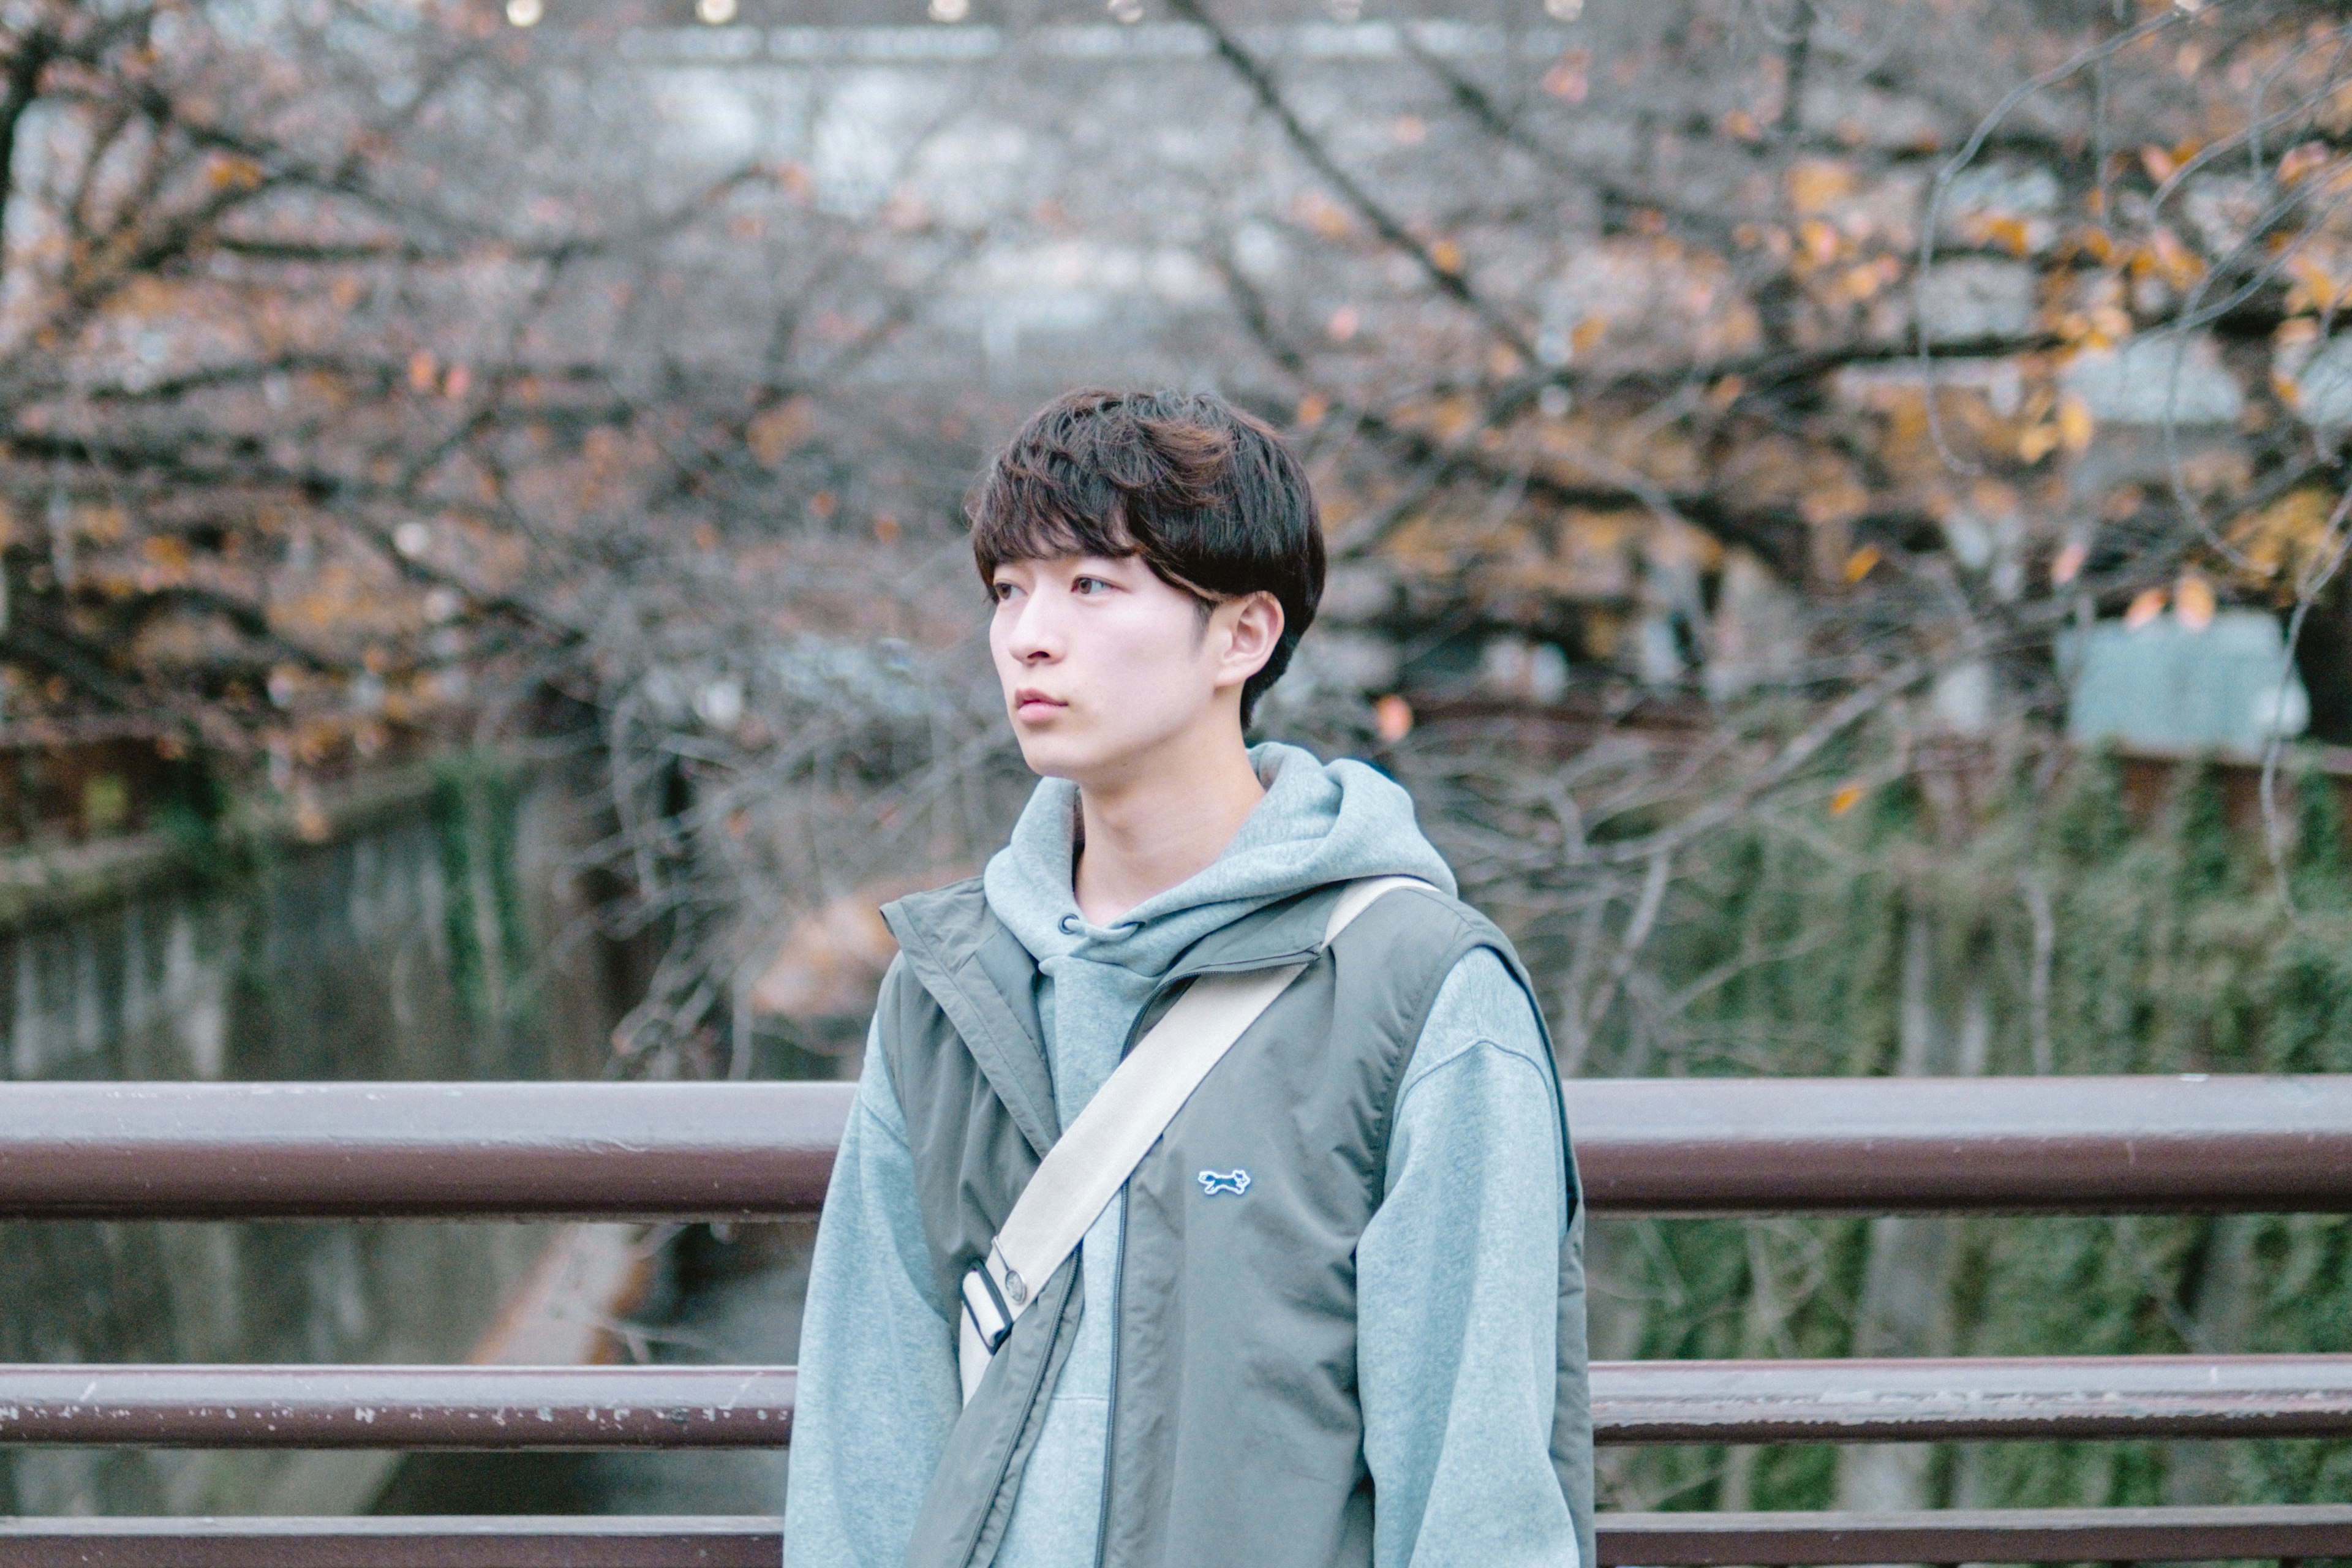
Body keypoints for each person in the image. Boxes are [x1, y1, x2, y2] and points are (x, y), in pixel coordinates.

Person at [782, 388, 1589, 1568]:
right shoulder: (952, 986)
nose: (1026, 636)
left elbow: (1478, 1490)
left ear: (1244, 636)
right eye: (1009, 589)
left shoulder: (1418, 993)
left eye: (1091, 587)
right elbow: (868, 1439)